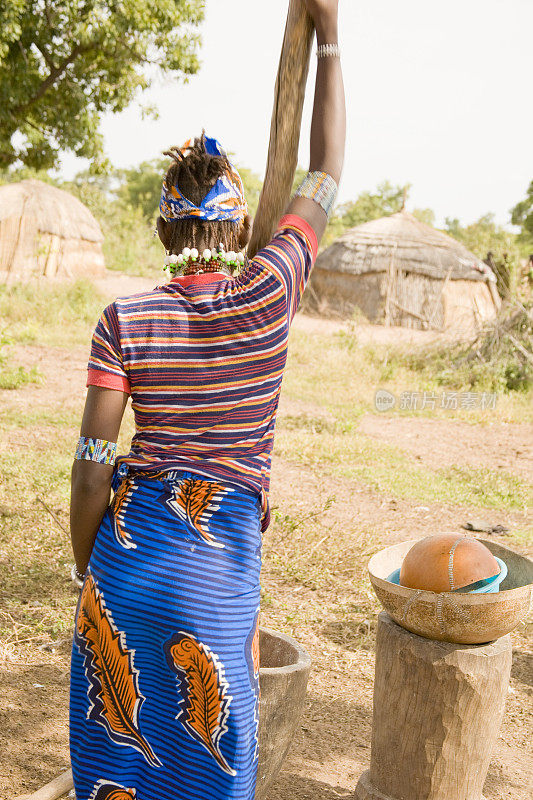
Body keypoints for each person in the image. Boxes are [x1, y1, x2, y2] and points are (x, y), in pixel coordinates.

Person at [69, 1, 345, 798]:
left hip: (125, 564)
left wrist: (96, 579)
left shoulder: (124, 320)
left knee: (118, 770)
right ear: (239, 228)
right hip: (220, 577)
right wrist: (329, 35)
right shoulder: (270, 290)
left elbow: (91, 468)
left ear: (162, 230)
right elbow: (325, 171)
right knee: (207, 766)